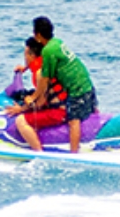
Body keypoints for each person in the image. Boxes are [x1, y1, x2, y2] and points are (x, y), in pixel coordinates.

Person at [27, 16, 97, 153]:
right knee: (91, 109)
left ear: (39, 35)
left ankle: (74, 154)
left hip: (76, 88)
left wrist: (33, 97)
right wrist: (25, 68)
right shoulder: (57, 42)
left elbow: (44, 80)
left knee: (73, 121)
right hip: (85, 79)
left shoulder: (48, 51)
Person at [4, 38, 67, 152]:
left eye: (25, 55)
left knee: (21, 121)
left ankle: (38, 153)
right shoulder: (48, 64)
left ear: (31, 55)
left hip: (57, 112)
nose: (25, 58)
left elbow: (40, 102)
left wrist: (21, 109)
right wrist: (25, 68)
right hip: (66, 106)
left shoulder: (39, 73)